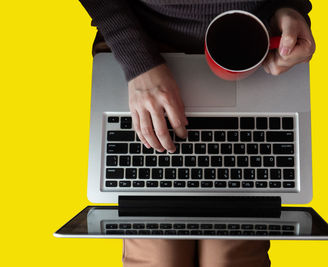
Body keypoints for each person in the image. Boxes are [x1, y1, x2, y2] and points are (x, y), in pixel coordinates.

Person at [80, 1, 315, 266]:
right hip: (143, 40)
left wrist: (290, 9)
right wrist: (137, 60)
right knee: (160, 259)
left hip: (252, 48)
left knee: (230, 259)